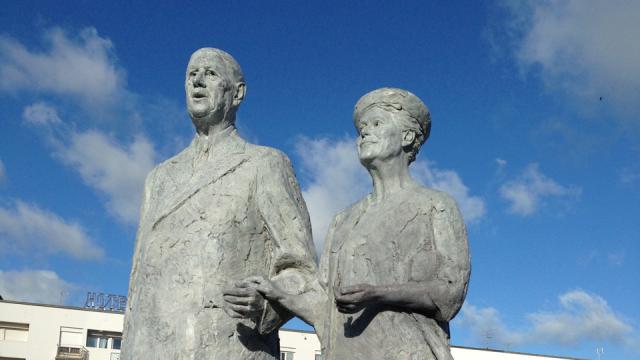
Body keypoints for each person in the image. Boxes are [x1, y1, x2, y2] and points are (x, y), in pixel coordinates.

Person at [120, 48, 317, 360]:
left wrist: (266, 303)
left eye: (210, 74)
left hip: (227, 345)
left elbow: (300, 268)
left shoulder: (264, 163)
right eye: (191, 75)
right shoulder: (158, 178)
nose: (197, 81)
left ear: (237, 93)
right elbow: (136, 284)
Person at [247, 88, 470, 360]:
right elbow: (324, 308)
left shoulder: (436, 205)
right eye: (362, 128)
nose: (365, 132)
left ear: (407, 137)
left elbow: (449, 294)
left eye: (376, 124)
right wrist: (277, 294)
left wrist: (378, 294)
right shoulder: (343, 220)